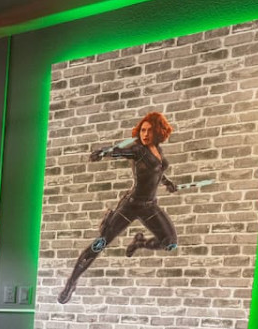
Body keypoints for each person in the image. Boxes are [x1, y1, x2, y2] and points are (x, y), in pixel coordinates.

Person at [57, 111, 181, 305]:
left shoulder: (158, 152)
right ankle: (71, 283)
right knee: (100, 244)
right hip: (130, 205)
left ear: (158, 132)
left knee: (170, 243)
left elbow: (156, 172)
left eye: (149, 130)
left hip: (149, 207)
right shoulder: (138, 150)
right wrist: (104, 152)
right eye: (142, 130)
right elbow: (120, 151)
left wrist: (167, 183)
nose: (145, 134)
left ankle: (139, 243)